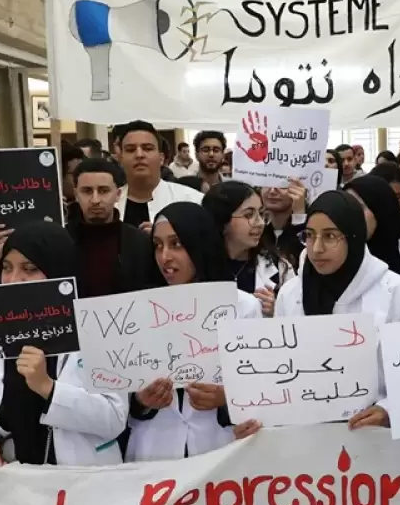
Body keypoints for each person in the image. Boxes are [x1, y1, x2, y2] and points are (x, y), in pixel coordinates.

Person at [0, 222, 128, 466]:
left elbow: (115, 418)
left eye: (30, 268)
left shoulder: (97, 330)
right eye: (6, 267)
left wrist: (47, 388)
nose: (14, 280)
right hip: (9, 483)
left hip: (85, 484)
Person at [126, 202, 263, 461]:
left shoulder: (243, 307)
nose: (164, 256)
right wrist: (142, 402)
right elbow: (121, 396)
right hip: (155, 451)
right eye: (157, 245)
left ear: (199, 244)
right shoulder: (138, 309)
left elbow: (260, 384)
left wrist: (226, 398)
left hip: (219, 451)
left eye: (176, 244)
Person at [275, 190, 400, 430]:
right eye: (309, 236)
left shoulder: (396, 291)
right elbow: (277, 367)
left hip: (372, 438)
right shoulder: (291, 294)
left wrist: (388, 409)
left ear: (353, 236)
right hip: (304, 435)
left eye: (330, 236)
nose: (317, 248)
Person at [67, 158, 162, 297]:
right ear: (76, 195)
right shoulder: (61, 242)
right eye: (87, 191)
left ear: (117, 195)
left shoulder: (140, 243)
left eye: (103, 191)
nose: (95, 200)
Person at [203, 181, 296, 316]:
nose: (259, 223)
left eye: (261, 214)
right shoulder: (199, 266)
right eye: (249, 215)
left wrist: (278, 311)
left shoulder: (280, 267)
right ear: (223, 221)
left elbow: (297, 319)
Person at [345, 175, 400, 304]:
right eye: (346, 207)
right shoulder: (334, 255)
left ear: (380, 210)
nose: (349, 215)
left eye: (359, 207)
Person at [115, 121, 203, 229]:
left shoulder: (191, 200)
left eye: (147, 148)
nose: (139, 155)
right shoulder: (111, 203)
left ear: (161, 158)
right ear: (120, 159)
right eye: (130, 150)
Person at [260, 180, 307, 271]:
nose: (272, 191)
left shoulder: (309, 228)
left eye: (282, 185)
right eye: (266, 183)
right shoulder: (255, 231)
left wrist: (299, 216)